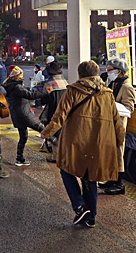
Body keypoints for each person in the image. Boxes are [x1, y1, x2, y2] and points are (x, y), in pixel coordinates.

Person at [42, 60, 124, 228]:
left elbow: (59, 116)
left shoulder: (73, 91)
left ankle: (79, 206)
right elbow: (117, 120)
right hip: (99, 142)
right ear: (96, 73)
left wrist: (46, 133)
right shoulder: (107, 93)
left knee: (66, 170)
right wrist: (119, 140)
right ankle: (90, 217)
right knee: (90, 177)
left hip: (76, 140)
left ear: (80, 74)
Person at [99, 58, 135, 195]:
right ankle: (110, 179)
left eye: (110, 70)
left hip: (118, 124)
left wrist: (112, 106)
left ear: (118, 71)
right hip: (109, 123)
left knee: (118, 152)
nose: (108, 72)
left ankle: (119, 183)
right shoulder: (113, 83)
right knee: (110, 152)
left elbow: (129, 108)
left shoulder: (126, 87)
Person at [3, 66, 48, 166]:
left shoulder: (10, 85)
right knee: (44, 130)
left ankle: (19, 158)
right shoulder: (17, 87)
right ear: (18, 76)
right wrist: (45, 91)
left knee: (23, 136)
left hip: (17, 114)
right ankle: (56, 145)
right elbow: (31, 96)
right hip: (24, 114)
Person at [39, 61, 68, 163]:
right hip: (65, 110)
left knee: (54, 132)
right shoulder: (65, 81)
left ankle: (56, 157)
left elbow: (44, 98)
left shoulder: (50, 83)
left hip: (53, 110)